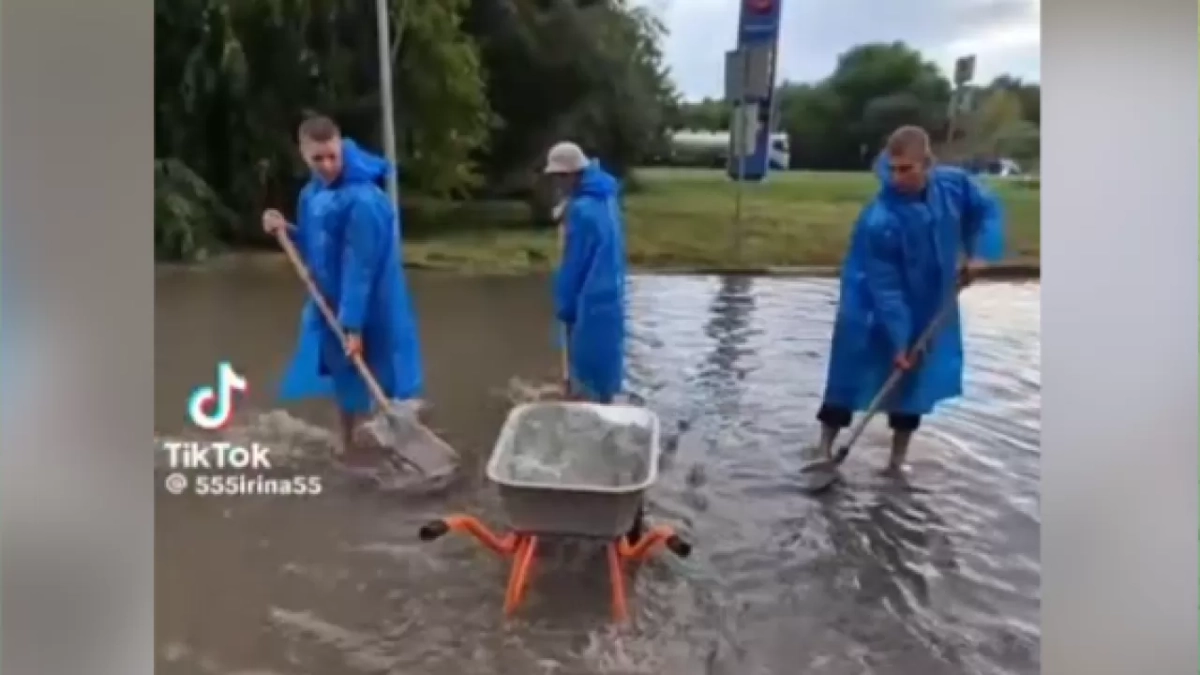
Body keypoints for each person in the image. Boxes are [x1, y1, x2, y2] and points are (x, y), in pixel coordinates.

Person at [815, 125, 1005, 477]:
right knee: (850, 369)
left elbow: (986, 210)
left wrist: (980, 253)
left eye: (906, 169)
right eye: (893, 169)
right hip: (868, 298)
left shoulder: (954, 186)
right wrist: (900, 340)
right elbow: (886, 290)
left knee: (916, 375)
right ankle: (825, 448)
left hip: (930, 296)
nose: (897, 177)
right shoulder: (880, 220)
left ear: (928, 164)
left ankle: (896, 461)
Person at [263, 115, 424, 470]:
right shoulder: (312, 193)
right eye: (317, 158)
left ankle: (396, 448)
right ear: (303, 154)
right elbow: (316, 245)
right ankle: (349, 443)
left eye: (332, 156)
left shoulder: (364, 201)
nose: (326, 165)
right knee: (343, 372)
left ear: (342, 148)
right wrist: (285, 229)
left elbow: (359, 267)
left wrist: (353, 325)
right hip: (332, 300)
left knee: (383, 371)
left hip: (375, 304)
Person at [545, 141, 627, 405]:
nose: (558, 184)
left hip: (588, 296)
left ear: (572, 174)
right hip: (611, 292)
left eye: (560, 177)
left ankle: (580, 401)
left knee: (582, 364)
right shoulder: (606, 198)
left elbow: (574, 263)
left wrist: (565, 305)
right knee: (606, 361)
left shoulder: (581, 211)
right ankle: (605, 401)